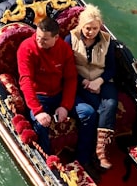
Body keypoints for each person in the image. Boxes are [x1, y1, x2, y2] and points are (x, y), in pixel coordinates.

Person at [17, 16, 96, 162]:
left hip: (59, 94)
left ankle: (83, 159)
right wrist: (38, 111)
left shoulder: (64, 49)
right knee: (40, 125)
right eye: (38, 36)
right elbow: (25, 81)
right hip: (39, 96)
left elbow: (71, 79)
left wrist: (65, 106)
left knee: (89, 113)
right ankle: (49, 162)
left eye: (45, 39)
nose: (39, 41)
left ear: (56, 37)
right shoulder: (26, 48)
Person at [70, 5, 118, 170]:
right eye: (87, 28)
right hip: (80, 82)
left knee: (111, 105)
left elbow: (111, 67)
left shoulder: (106, 40)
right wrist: (84, 81)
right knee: (98, 111)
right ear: (81, 26)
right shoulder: (70, 39)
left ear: (100, 26)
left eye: (95, 28)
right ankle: (87, 157)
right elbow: (66, 67)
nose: (91, 32)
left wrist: (99, 81)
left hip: (102, 80)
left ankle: (101, 151)